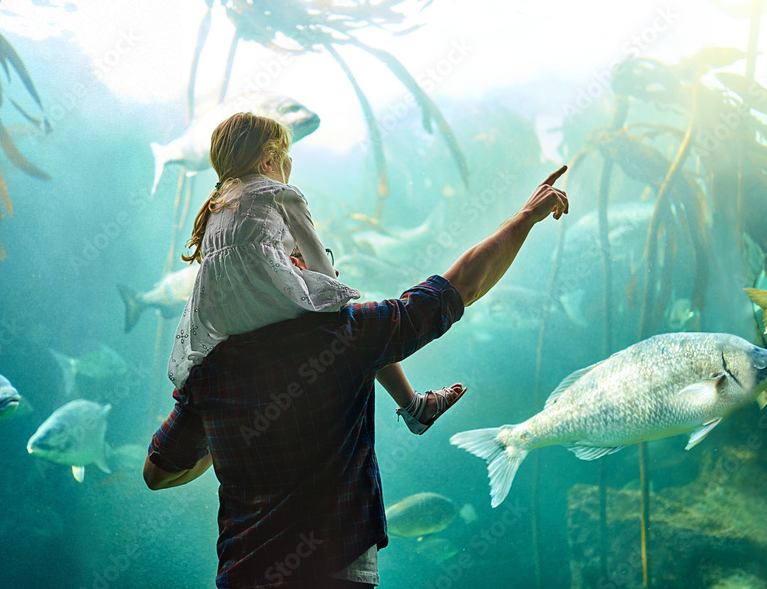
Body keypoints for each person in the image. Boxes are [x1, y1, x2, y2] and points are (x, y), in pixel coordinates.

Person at [144, 154, 569, 589]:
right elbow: (461, 286)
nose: (332, 271)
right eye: (314, 257)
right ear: (287, 268)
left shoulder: (212, 371)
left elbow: (157, 473)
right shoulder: (345, 336)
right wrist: (525, 218)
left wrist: (226, 437)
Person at [166, 111, 466, 435]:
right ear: (268, 161)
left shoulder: (217, 205)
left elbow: (246, 264)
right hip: (271, 311)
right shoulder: (280, 193)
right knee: (357, 324)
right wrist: (327, 282)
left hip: (225, 323)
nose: (289, 162)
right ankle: (413, 406)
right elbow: (321, 266)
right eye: (285, 156)